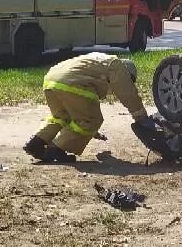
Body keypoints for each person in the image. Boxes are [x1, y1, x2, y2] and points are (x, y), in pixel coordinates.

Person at [24, 52, 156, 164]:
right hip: (70, 83)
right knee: (92, 120)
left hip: (51, 80)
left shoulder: (100, 62)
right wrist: (142, 118)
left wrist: (92, 132)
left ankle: (36, 143)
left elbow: (80, 109)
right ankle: (56, 149)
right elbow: (128, 93)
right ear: (129, 74)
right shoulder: (117, 66)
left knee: (62, 117)